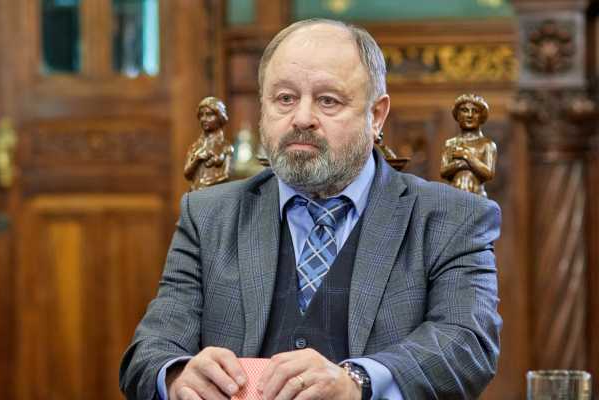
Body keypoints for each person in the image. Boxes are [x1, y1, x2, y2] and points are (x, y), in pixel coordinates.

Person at [120, 18, 501, 400]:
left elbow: (467, 344)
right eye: (285, 99)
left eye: (328, 100)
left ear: (376, 116)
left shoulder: (451, 219)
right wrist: (178, 376)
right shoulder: (208, 216)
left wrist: (357, 381)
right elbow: (150, 352)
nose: (302, 118)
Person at [440, 94, 497, 197]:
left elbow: (488, 174)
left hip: (477, 196)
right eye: (464, 110)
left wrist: (466, 155)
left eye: (475, 111)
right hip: (454, 195)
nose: (470, 115)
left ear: (481, 116)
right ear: (457, 115)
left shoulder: (487, 144)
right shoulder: (450, 143)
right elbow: (443, 171)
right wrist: (462, 164)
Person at [184, 97, 234, 191]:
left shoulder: (226, 147)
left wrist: (204, 185)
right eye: (201, 115)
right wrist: (197, 159)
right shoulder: (195, 147)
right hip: (195, 195)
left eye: (209, 114)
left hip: (215, 195)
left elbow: (227, 175)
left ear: (219, 117)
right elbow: (187, 174)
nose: (204, 119)